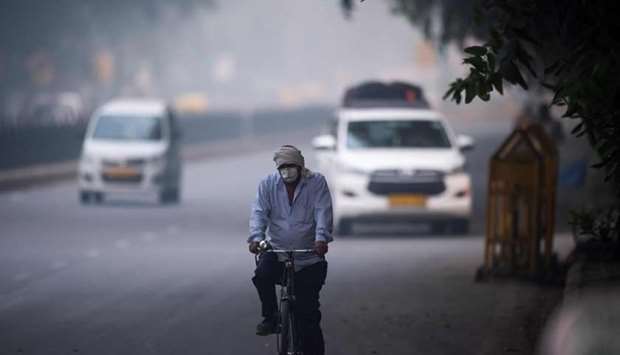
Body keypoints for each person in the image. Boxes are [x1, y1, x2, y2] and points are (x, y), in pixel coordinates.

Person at [248, 145, 333, 355]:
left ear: (301, 166)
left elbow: (323, 211)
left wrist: (321, 239)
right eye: (282, 167)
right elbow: (259, 213)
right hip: (277, 251)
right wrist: (256, 238)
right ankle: (272, 317)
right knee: (262, 275)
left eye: (291, 166)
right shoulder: (268, 185)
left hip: (309, 257)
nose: (287, 171)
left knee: (309, 316)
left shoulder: (316, 183)